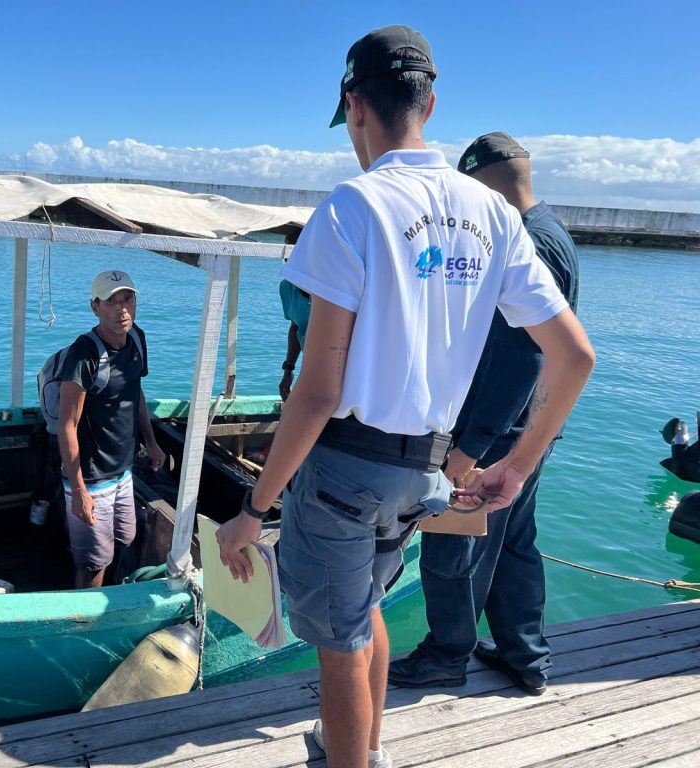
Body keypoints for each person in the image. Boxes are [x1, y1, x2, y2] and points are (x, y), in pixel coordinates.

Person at [215, 25, 594, 768]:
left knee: (337, 648)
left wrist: (251, 511)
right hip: (420, 477)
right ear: (431, 99)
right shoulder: (493, 215)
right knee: (366, 615)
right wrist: (516, 465)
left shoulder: (352, 207)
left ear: (355, 105)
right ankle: (372, 749)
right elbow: (574, 357)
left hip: (344, 473)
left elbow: (318, 392)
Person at [388, 132, 581, 697]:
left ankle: (447, 654)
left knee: (451, 541)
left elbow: (518, 357)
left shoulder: (525, 241)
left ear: (479, 180)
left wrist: (471, 445)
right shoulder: (554, 233)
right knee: (515, 540)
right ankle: (526, 655)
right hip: (530, 431)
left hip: (497, 432)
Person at [57, 270, 165, 589]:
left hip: (123, 471)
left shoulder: (137, 339)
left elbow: (136, 393)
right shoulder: (83, 355)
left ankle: (110, 600)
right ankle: (85, 628)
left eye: (127, 299)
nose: (122, 309)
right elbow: (67, 424)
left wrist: (152, 442)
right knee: (92, 566)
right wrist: (78, 492)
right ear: (95, 307)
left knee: (125, 539)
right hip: (90, 478)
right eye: (111, 301)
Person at [278, 228, 310, 400]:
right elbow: (296, 327)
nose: (286, 258)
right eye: (286, 250)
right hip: (311, 366)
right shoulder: (287, 287)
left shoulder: (334, 288)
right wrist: (288, 369)